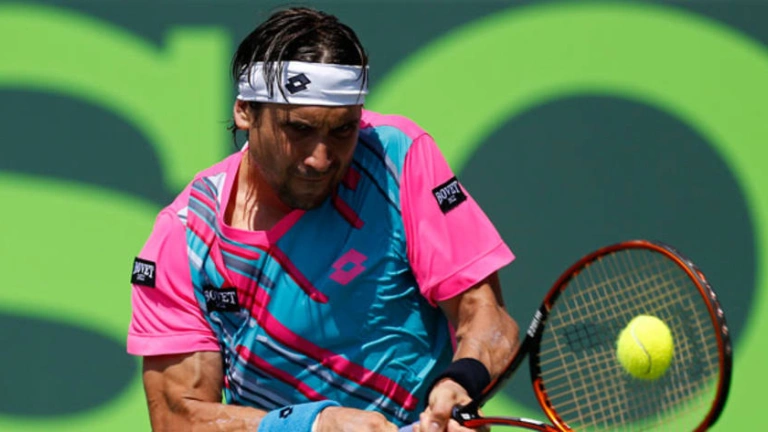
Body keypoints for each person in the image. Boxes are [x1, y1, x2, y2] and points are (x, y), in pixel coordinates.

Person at [127, 6, 520, 432]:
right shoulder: (186, 237)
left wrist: (460, 381)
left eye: (342, 130)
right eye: (299, 129)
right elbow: (177, 416)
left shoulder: (397, 159)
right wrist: (313, 425)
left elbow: (488, 316)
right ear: (245, 111)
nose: (320, 158)